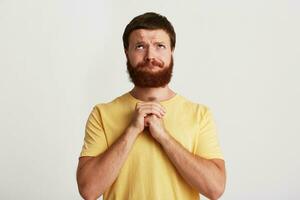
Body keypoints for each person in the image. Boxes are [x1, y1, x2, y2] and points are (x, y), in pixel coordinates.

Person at [76, 12, 226, 200]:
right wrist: (132, 130)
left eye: (160, 46)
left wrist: (164, 137)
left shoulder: (199, 115)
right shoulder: (102, 114)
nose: (150, 55)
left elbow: (215, 188)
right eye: (140, 46)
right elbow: (88, 190)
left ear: (171, 51)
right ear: (126, 52)